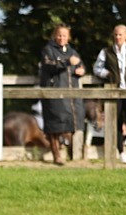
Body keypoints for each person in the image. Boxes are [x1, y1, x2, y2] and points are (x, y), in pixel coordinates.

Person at [39, 24, 87, 165]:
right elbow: (48, 65)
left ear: (68, 37)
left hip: (71, 95)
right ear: (55, 35)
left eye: (64, 35)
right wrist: (66, 62)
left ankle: (70, 152)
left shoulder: (72, 51)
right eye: (59, 35)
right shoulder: (48, 50)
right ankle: (57, 156)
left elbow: (80, 64)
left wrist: (81, 70)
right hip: (54, 92)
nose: (61, 38)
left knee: (72, 122)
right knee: (54, 124)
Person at [93, 24, 126, 165]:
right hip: (114, 91)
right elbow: (97, 68)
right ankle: (121, 153)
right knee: (117, 121)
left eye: (120, 34)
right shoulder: (106, 52)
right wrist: (106, 73)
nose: (118, 37)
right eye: (116, 35)